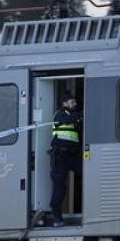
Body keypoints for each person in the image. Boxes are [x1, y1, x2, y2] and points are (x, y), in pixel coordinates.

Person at [47, 95, 82, 226]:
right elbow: (68, 119)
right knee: (60, 188)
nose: (75, 103)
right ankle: (57, 218)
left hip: (72, 156)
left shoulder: (76, 118)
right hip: (60, 156)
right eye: (72, 102)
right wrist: (83, 113)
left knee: (89, 173)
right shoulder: (60, 115)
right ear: (65, 103)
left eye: (75, 101)